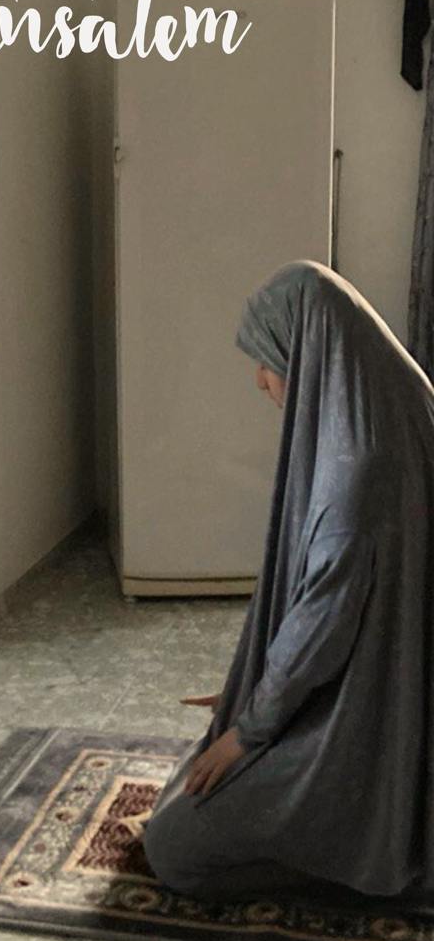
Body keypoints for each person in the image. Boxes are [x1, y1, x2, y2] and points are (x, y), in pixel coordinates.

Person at [143, 259, 434, 904]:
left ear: (312, 353)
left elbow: (319, 634)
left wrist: (251, 728)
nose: (261, 378)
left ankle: (370, 870)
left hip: (363, 729)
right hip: (392, 702)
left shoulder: (358, 475)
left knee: (173, 847)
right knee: (200, 770)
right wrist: (246, 697)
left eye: (269, 356)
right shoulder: (397, 403)